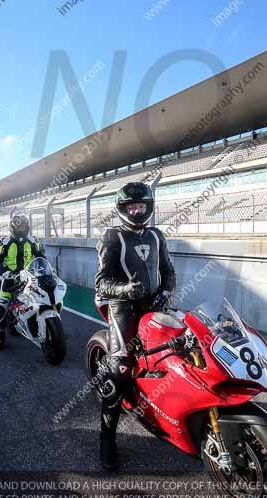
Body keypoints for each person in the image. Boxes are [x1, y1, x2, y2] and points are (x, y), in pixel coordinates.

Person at [94, 182, 176, 470]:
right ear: (122, 209)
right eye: (132, 207)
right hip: (123, 307)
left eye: (141, 206)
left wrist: (166, 293)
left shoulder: (157, 235)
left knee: (179, 351)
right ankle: (107, 437)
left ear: (149, 207)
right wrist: (126, 290)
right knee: (119, 370)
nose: (137, 211)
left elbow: (168, 271)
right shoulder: (111, 236)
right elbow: (101, 281)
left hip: (155, 305)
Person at [0, 214, 45, 350]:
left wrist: (46, 269)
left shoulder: (34, 241)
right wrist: (5, 272)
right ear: (12, 227)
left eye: (23, 227)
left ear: (27, 227)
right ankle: (0, 335)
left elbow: (42, 258)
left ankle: (46, 324)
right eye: (18, 227)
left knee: (43, 297)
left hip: (29, 277)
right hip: (10, 278)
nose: (21, 230)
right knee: (3, 304)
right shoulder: (4, 242)